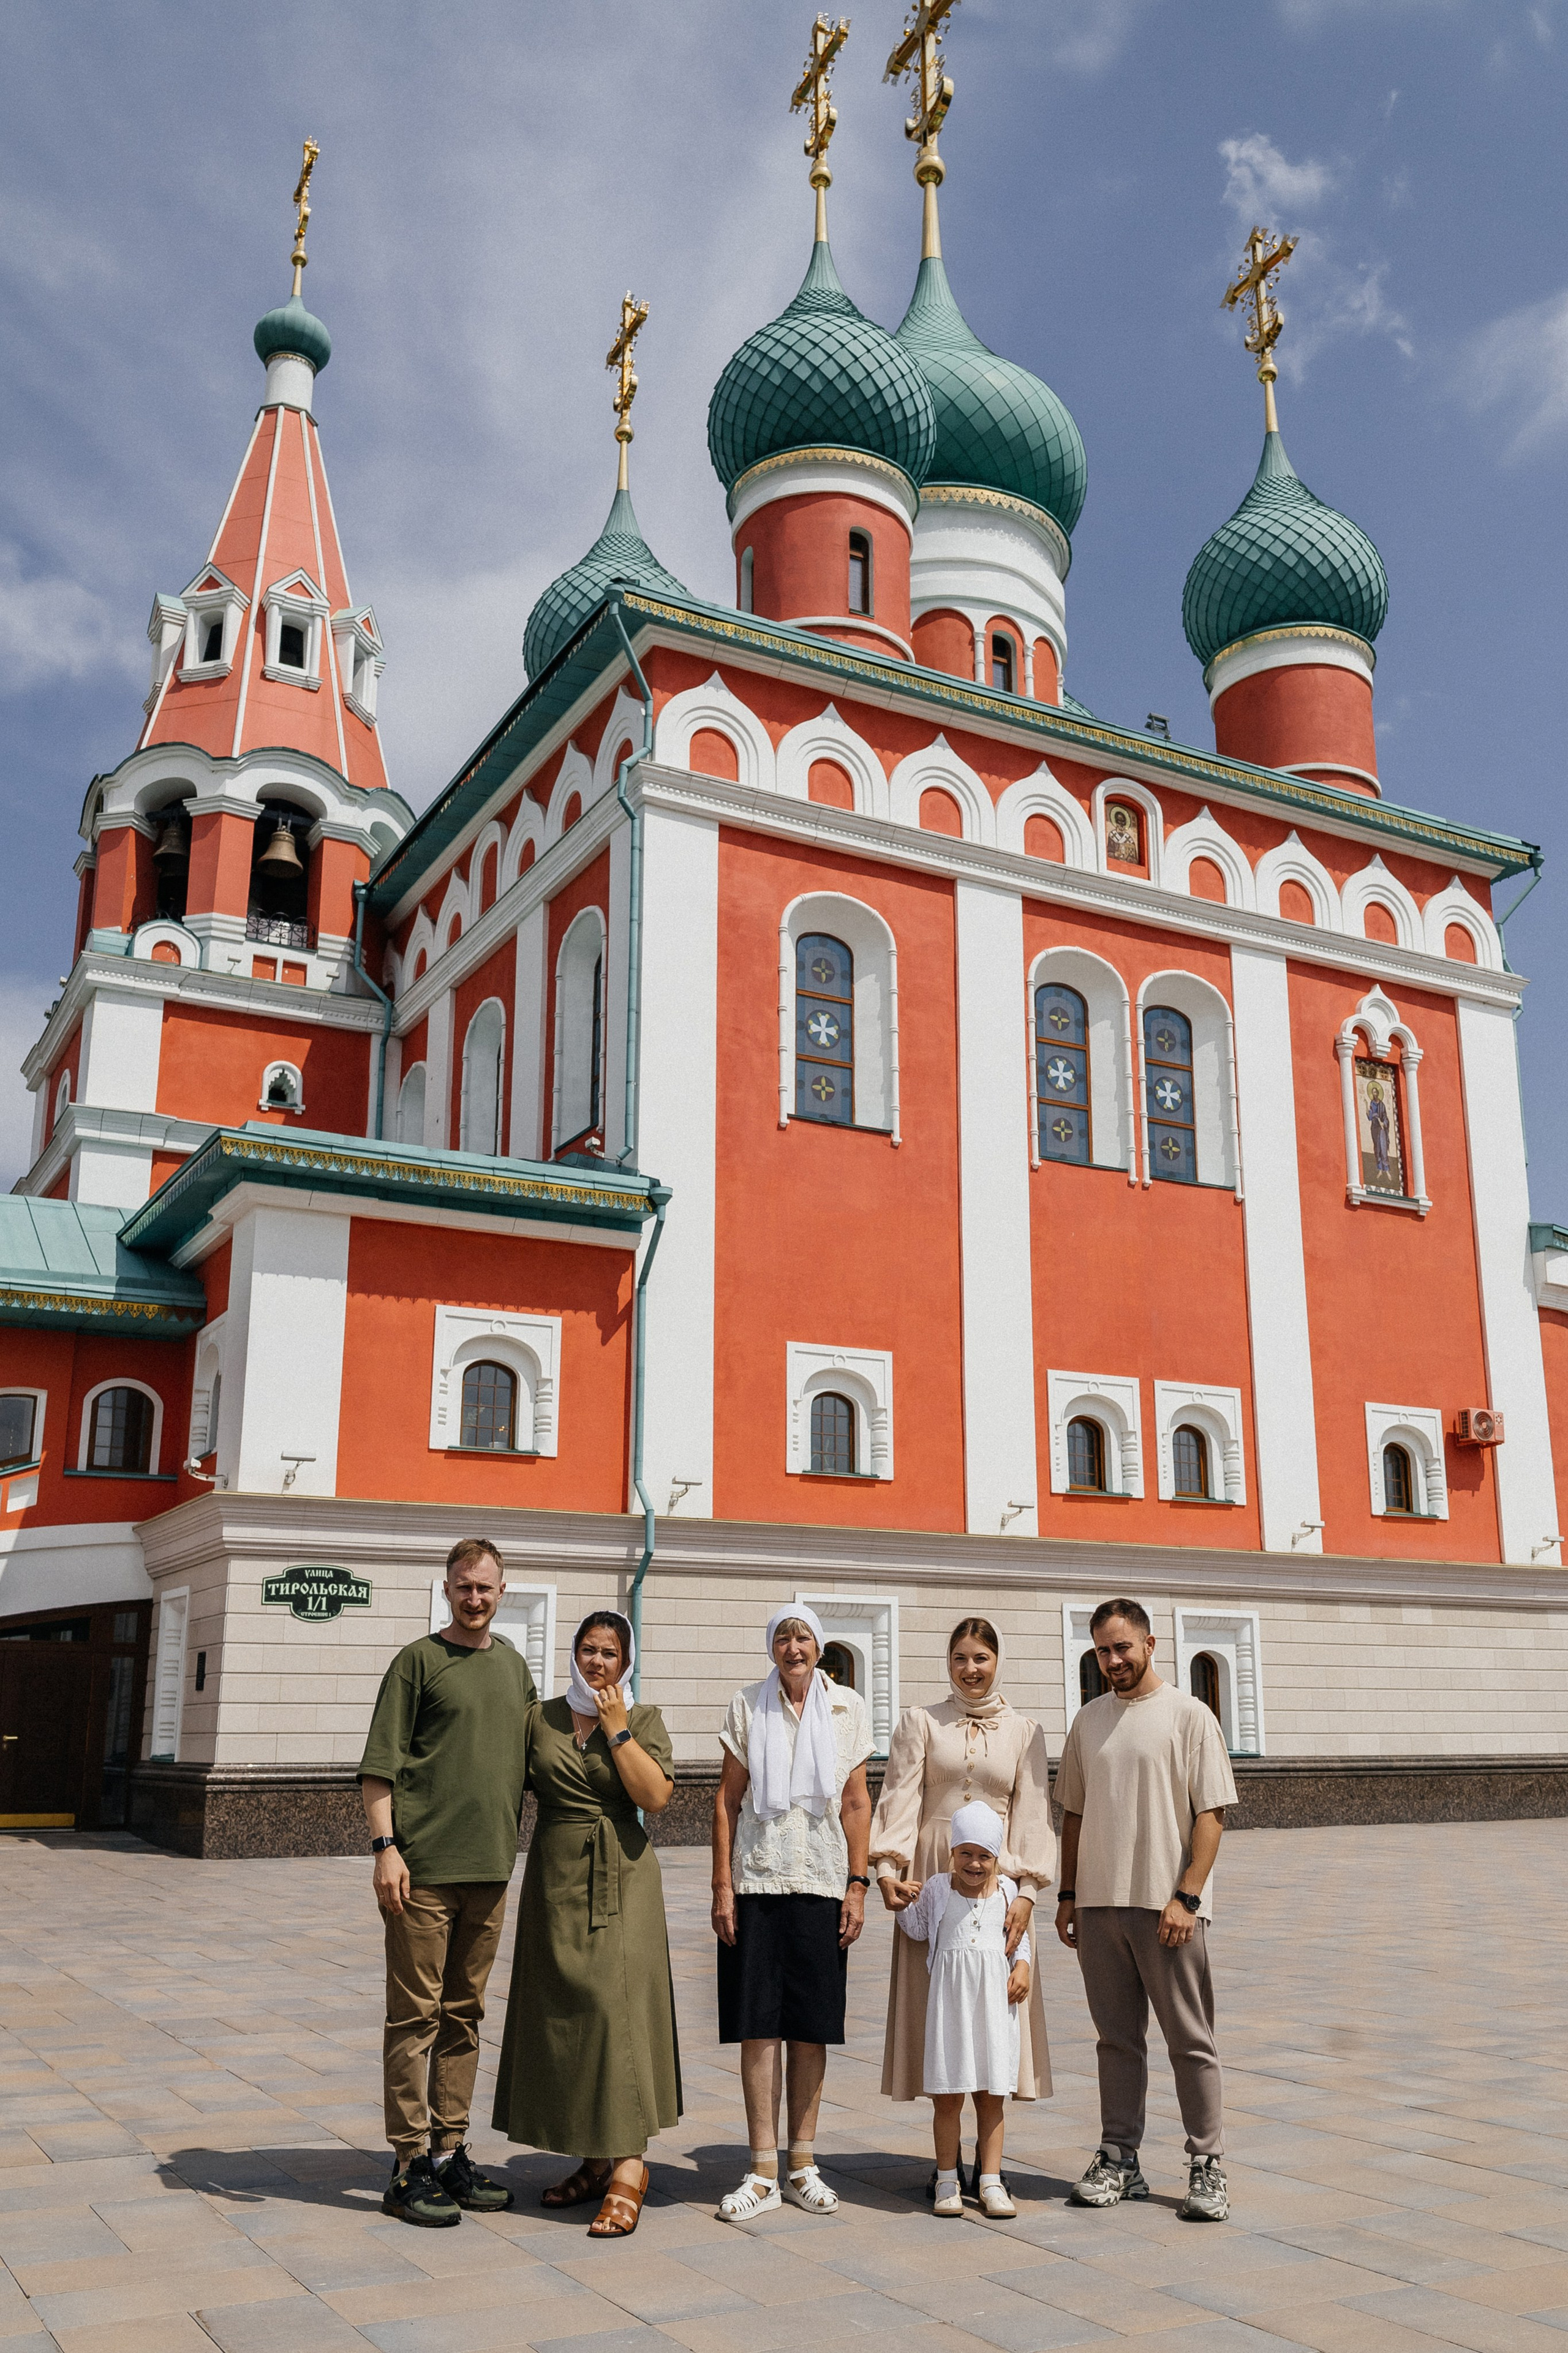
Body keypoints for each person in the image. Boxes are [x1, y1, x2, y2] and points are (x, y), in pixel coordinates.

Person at [358, 1535, 533, 2228]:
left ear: (501, 1590)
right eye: (464, 1585)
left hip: (490, 1871)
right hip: (423, 1874)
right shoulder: (418, 1662)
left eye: (485, 1587)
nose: (475, 1597)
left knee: (464, 2015)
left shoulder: (514, 1667)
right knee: (415, 2017)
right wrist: (386, 1849)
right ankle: (407, 2165)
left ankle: (450, 2150)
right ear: (447, 1588)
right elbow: (380, 1766)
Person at [491, 1609, 680, 2240]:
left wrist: (617, 1729)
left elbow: (654, 1797)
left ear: (626, 1662)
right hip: (555, 1878)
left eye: (609, 1652)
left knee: (613, 2013)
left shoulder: (642, 1718)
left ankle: (629, 2167)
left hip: (622, 1876)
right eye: (588, 1649)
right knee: (565, 2013)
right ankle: (594, 2159)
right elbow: (501, 1781)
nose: (597, 1661)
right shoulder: (539, 1717)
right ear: (573, 1654)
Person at [1054, 1597, 1237, 2224]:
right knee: (1116, 2041)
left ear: (1150, 1644)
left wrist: (1188, 1895)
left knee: (1190, 2038)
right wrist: (1069, 1894)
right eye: (1102, 1650)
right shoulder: (1089, 1720)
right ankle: (1119, 2158)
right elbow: (1073, 1814)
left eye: (1122, 1647)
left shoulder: (1190, 1715)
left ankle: (1207, 2162)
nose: (1113, 1660)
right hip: (1100, 1904)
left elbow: (1211, 1814)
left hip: (1167, 1908)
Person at [870, 1616, 1053, 2193]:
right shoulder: (921, 1721)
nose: (970, 1669)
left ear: (998, 1661)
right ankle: (945, 2163)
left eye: (981, 1658)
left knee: (996, 2015)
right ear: (948, 1663)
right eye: (960, 1658)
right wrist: (886, 1871)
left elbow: (1032, 1815)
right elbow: (899, 1797)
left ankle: (989, 2166)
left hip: (999, 1884)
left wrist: (1027, 1893)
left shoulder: (1025, 1730)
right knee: (937, 2018)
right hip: (933, 1872)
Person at [711, 1606, 872, 2222]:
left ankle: (802, 2164)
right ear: (771, 1647)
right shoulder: (747, 1704)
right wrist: (722, 1885)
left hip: (822, 1883)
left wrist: (857, 1884)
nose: (793, 1646)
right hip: (757, 1881)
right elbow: (727, 1800)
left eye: (803, 1636)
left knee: (810, 2026)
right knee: (758, 2026)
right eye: (783, 1637)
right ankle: (761, 2171)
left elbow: (855, 1802)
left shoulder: (847, 1708)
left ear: (819, 1646)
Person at [895, 1802, 1032, 2218]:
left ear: (996, 1856)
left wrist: (1023, 1966)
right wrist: (901, 1900)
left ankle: (990, 2180)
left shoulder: (1008, 1890)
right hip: (950, 2008)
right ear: (952, 1852)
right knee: (948, 2098)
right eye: (966, 1853)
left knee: (992, 2099)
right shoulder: (939, 1888)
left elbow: (1019, 1938)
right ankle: (947, 2178)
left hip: (994, 2008)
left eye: (984, 1855)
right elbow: (918, 1928)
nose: (974, 1863)